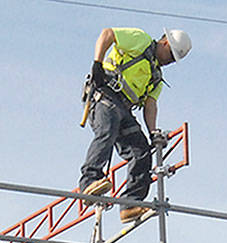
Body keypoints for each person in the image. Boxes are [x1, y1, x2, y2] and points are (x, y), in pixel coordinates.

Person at [79, 26, 191, 222]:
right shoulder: (141, 40)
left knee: (141, 151)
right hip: (105, 93)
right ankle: (90, 180)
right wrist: (97, 64)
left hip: (123, 108)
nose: (170, 61)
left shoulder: (156, 78)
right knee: (107, 129)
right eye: (171, 55)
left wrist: (152, 132)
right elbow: (108, 34)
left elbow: (150, 104)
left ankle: (130, 203)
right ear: (165, 43)